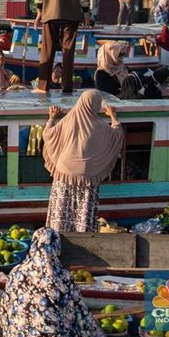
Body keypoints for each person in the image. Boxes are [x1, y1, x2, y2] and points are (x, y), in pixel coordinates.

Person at [0, 227, 105, 337]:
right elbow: (80, 313)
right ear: (56, 248)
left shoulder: (16, 272)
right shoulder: (62, 277)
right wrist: (94, 334)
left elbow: (4, 311)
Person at [43, 90, 123, 232]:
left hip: (64, 173)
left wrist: (52, 118)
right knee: (83, 212)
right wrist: (113, 117)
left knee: (61, 211)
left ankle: (58, 236)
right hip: (87, 177)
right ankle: (83, 239)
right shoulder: (100, 126)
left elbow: (48, 135)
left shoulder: (69, 119)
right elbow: (117, 135)